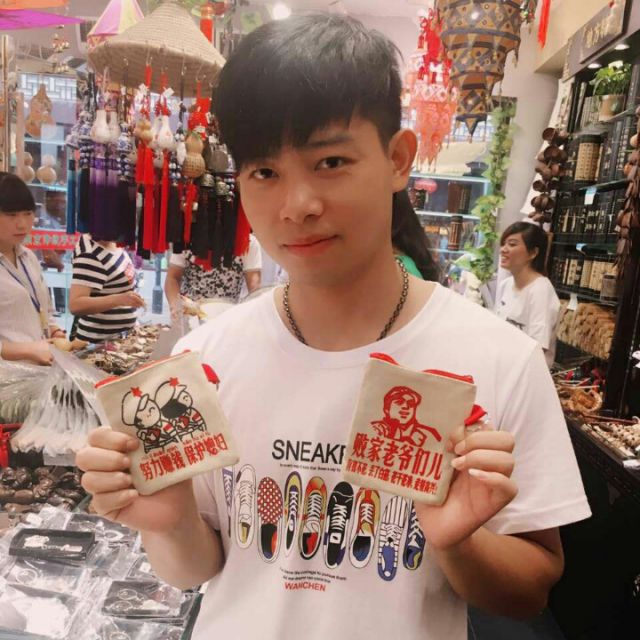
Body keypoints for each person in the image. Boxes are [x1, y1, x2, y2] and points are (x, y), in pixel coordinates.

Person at [77, 15, 590, 640]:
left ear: (397, 159)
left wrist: (457, 542)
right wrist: (171, 520)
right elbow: (194, 571)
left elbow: (532, 589)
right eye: (264, 173)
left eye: (331, 161)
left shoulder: (499, 358)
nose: (298, 205)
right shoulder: (203, 361)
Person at [0, 172, 65, 365]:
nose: (22, 224)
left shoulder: (28, 257)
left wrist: (55, 331)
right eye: (11, 215)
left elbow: (43, 308)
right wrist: (27, 350)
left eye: (28, 213)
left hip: (40, 372)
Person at [495, 221, 561, 367]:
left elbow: (538, 347)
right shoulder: (505, 285)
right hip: (502, 368)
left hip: (526, 373)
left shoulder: (541, 290)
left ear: (533, 253)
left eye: (512, 244)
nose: (503, 250)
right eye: (503, 244)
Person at [69, 233, 144, 343]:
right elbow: (76, 305)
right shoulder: (89, 254)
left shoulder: (111, 240)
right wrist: (119, 299)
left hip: (118, 339)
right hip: (98, 342)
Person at [164, 233, 263, 313]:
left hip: (227, 316)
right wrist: (175, 306)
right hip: (190, 314)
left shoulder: (248, 242)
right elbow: (173, 278)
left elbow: (254, 289)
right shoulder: (187, 237)